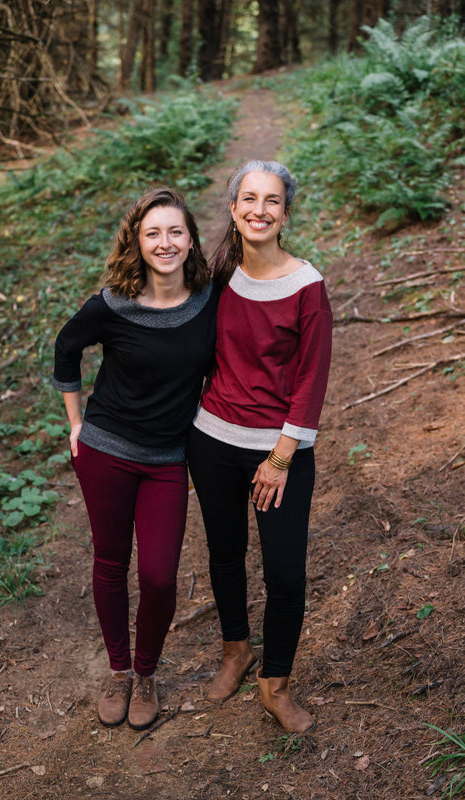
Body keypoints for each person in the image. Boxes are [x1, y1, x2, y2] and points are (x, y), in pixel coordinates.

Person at [52, 187, 217, 731]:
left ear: (190, 238)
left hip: (168, 459)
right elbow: (66, 346)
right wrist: (76, 422)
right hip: (106, 452)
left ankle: (148, 672)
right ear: (137, 242)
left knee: (161, 576)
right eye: (153, 233)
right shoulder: (113, 304)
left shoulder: (208, 299)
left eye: (174, 231)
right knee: (111, 562)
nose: (164, 242)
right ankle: (119, 671)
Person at [187, 160, 332, 733]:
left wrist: (279, 456)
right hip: (213, 439)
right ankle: (235, 651)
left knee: (287, 573)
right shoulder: (220, 272)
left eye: (272, 201)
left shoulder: (306, 286)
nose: (259, 210)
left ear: (285, 213)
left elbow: (311, 381)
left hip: (280, 449)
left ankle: (276, 684)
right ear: (233, 208)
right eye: (249, 198)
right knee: (223, 553)